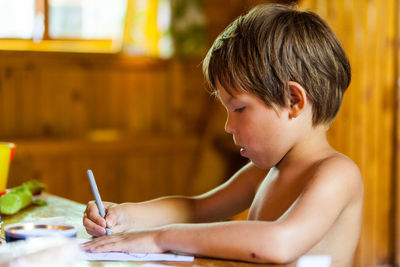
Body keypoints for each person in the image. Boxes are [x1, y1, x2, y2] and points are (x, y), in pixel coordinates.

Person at [82, 4, 363, 266]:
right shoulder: (262, 173)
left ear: (293, 100)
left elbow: (279, 242)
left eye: (239, 108)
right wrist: (125, 216)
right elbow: (196, 209)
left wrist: (160, 237)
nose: (228, 126)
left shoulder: (336, 174)